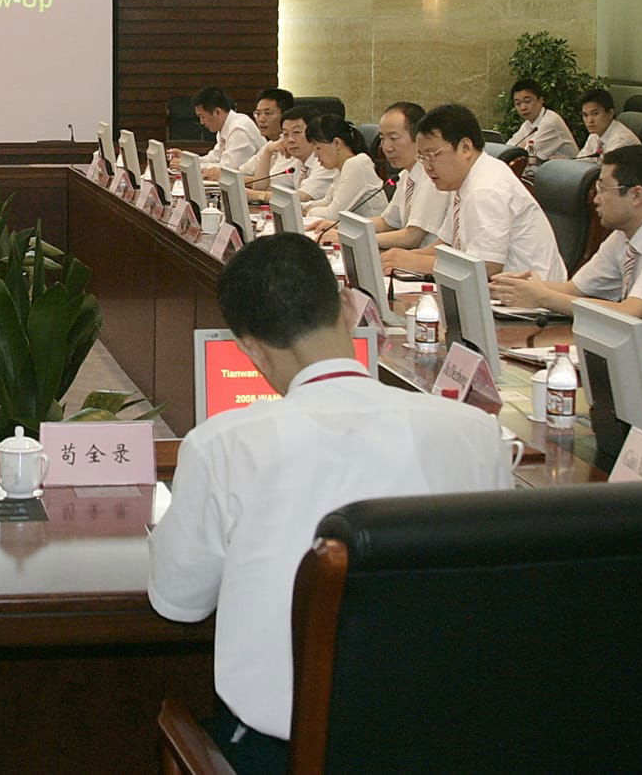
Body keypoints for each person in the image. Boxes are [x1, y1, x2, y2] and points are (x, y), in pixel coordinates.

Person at [148, 233, 508, 768]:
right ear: (345, 305)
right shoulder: (476, 433)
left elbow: (179, 601)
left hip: (283, 755)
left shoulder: (222, 445)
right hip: (448, 745)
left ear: (248, 348)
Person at [493, 144, 642, 324]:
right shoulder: (625, 234)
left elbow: (630, 315)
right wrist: (514, 287)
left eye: (603, 189)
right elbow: (574, 290)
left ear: (636, 195)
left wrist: (543, 297)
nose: (595, 199)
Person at [380, 104, 564, 281]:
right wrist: (397, 257)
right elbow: (445, 245)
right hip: (496, 295)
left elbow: (486, 267)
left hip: (529, 305)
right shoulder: (464, 179)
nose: (426, 167)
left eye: (431, 155)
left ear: (465, 148)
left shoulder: (486, 188)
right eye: (422, 157)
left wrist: (413, 261)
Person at [367, 101, 448, 254]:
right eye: (382, 138)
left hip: (426, 263)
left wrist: (362, 238)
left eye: (394, 138)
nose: (386, 148)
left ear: (418, 138)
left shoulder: (433, 176)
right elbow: (388, 222)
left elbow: (412, 236)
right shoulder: (406, 174)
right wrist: (342, 227)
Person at [302, 114, 388, 230]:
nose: (316, 156)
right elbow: (327, 201)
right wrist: (301, 207)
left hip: (373, 237)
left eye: (318, 148)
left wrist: (309, 212)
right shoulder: (341, 167)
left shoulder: (356, 164)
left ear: (337, 143)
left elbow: (334, 215)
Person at [169, 87, 263, 180]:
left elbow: (228, 170)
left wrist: (188, 166)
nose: (201, 122)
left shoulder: (239, 129)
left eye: (202, 117)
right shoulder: (225, 126)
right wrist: (187, 159)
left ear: (217, 112)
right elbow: (214, 158)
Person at [504, 78, 578, 171]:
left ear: (541, 100)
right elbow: (510, 147)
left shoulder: (550, 122)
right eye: (518, 103)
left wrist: (521, 148)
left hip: (567, 176)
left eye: (527, 101)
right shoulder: (528, 123)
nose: (523, 107)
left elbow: (527, 155)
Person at [244, 107, 320, 195]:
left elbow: (304, 196)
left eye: (296, 132)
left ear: (313, 133)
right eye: (286, 134)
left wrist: (258, 196)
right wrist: (268, 152)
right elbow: (260, 187)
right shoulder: (298, 162)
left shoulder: (323, 162)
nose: (290, 139)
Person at [577, 88, 642, 162]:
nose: (590, 120)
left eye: (595, 114)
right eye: (585, 115)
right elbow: (579, 162)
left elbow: (609, 172)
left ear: (610, 113)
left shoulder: (621, 141)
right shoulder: (595, 135)